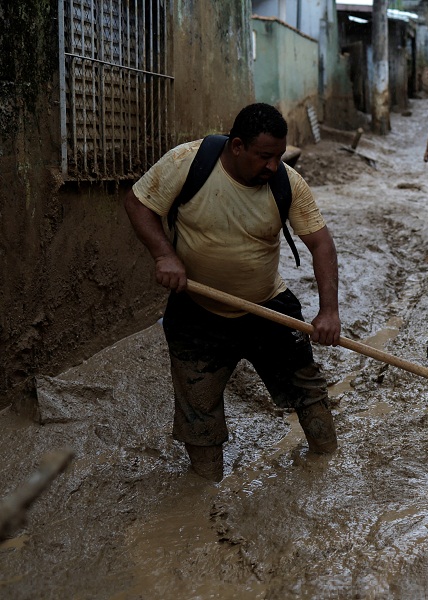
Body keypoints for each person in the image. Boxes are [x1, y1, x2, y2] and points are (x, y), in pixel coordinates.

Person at [123, 103, 341, 482]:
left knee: (309, 393)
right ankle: (204, 496)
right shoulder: (188, 164)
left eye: (278, 156)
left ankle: (329, 470)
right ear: (237, 146)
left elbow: (321, 244)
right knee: (198, 413)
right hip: (196, 312)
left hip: (268, 307)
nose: (272, 165)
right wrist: (164, 255)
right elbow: (138, 202)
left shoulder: (287, 182)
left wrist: (329, 311)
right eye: (264, 156)